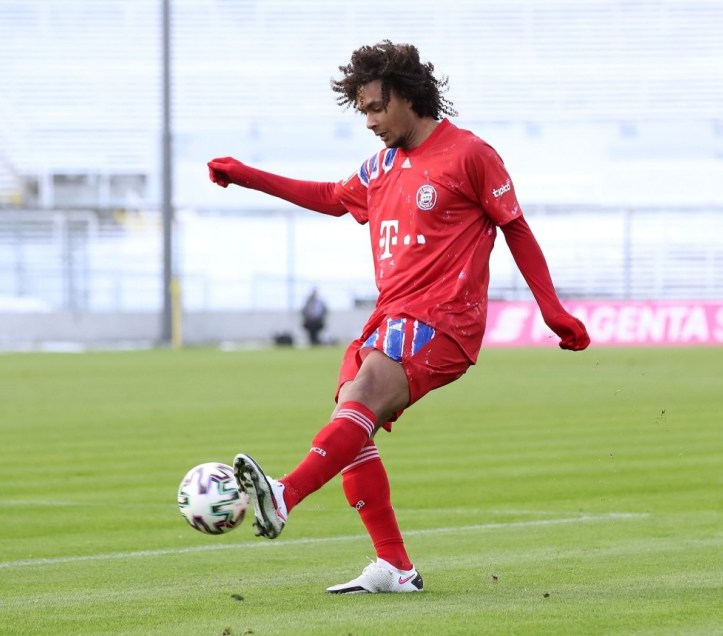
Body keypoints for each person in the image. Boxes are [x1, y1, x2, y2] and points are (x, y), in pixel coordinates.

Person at [207, 40, 590, 594]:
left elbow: (516, 227)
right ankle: (394, 565)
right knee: (351, 419)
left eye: (374, 107)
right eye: (361, 109)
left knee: (359, 396)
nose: (368, 121)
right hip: (391, 317)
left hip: (444, 320)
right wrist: (248, 175)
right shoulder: (383, 166)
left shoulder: (470, 155)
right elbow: (330, 197)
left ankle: (285, 494)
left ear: (407, 96)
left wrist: (552, 309)